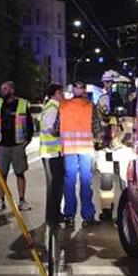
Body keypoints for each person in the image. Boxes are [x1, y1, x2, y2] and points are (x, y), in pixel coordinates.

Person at [0, 80, 34, 214]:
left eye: (5, 89)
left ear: (12, 90)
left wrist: (27, 140)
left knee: (20, 173)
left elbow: (29, 124)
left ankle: (22, 200)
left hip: (17, 145)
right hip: (2, 145)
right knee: (2, 175)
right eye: (2, 89)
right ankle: (1, 201)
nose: (2, 92)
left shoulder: (22, 104)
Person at [60, 80, 98, 227]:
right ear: (83, 90)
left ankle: (69, 216)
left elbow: (57, 127)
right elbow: (96, 127)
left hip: (69, 148)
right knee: (85, 181)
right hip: (85, 148)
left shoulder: (63, 106)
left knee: (69, 182)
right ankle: (88, 217)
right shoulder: (90, 106)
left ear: (73, 89)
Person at [39, 83, 65, 227]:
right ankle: (53, 216)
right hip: (51, 154)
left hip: (54, 153)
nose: (63, 96)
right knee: (55, 186)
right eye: (61, 93)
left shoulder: (52, 107)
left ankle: (54, 214)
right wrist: (65, 132)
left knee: (56, 185)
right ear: (55, 93)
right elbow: (52, 131)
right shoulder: (52, 109)